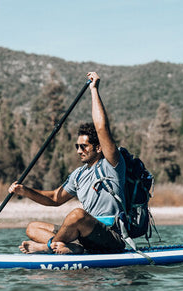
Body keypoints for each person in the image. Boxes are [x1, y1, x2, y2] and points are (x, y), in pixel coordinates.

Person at [8, 71, 126, 255]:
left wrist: (94, 90)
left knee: (77, 214)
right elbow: (55, 199)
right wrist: (25, 191)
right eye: (77, 146)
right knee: (33, 228)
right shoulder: (79, 174)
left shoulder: (112, 165)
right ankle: (73, 248)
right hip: (87, 236)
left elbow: (102, 127)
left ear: (98, 148)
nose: (79, 150)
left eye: (84, 146)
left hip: (112, 237)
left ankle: (47, 247)